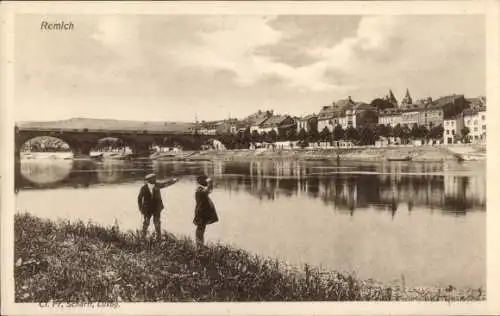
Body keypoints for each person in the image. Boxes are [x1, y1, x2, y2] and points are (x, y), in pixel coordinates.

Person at [137, 173, 179, 240]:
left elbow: (166, 184)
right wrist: (141, 209)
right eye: (153, 179)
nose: (155, 180)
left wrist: (174, 181)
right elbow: (139, 198)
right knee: (146, 222)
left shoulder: (157, 185)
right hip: (147, 209)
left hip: (157, 208)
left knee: (157, 222)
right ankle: (143, 237)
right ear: (149, 180)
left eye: (155, 178)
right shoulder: (144, 188)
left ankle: (158, 237)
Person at [193, 175, 219, 248]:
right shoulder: (199, 189)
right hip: (201, 212)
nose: (205, 182)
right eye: (204, 180)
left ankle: (200, 245)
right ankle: (199, 245)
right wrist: (210, 182)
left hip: (202, 212)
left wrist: (210, 184)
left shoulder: (200, 189)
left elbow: (209, 190)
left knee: (201, 228)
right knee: (200, 228)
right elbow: (207, 191)